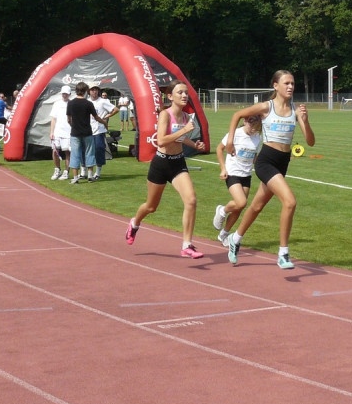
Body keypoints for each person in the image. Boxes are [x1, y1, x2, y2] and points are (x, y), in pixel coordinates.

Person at [221, 70, 315, 270]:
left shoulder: (295, 111)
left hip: (283, 162)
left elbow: (311, 142)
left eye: (292, 83)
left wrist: (305, 121)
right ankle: (283, 253)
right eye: (286, 83)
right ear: (275, 86)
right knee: (290, 202)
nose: (290, 86)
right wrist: (230, 139)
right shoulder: (266, 107)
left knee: (256, 206)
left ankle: (234, 240)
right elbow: (237, 115)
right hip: (266, 161)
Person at [125, 80, 206, 258]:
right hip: (161, 164)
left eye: (186, 92)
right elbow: (161, 140)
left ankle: (187, 245)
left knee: (191, 200)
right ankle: (135, 223)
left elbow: (180, 138)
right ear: (170, 96)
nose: (184, 95)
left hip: (178, 163)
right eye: (180, 93)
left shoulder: (185, 116)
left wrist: (195, 144)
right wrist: (184, 130)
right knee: (151, 207)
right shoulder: (165, 115)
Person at [212, 114, 262, 245]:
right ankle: (222, 210)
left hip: (246, 174)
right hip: (232, 172)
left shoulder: (257, 137)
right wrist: (223, 168)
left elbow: (254, 156)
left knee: (239, 208)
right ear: (245, 122)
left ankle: (224, 234)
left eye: (256, 128)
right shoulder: (236, 134)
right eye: (252, 126)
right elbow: (219, 148)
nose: (253, 130)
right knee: (241, 203)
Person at [66, 82, 101, 184]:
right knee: (89, 153)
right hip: (87, 132)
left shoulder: (71, 103)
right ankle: (90, 176)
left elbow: (69, 119)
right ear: (86, 91)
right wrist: (104, 122)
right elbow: (96, 117)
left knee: (75, 154)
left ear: (76, 91)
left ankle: (76, 177)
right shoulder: (89, 103)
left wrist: (73, 126)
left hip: (75, 132)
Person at [87, 84, 116, 181]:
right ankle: (86, 172)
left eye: (96, 90)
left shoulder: (103, 101)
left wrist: (106, 117)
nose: (94, 92)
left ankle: (98, 172)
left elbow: (115, 109)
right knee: (88, 151)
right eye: (92, 90)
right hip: (88, 129)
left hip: (99, 130)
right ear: (89, 91)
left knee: (99, 149)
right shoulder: (87, 101)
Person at [49, 86, 72, 180]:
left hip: (68, 132)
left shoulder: (72, 103)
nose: (64, 95)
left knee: (68, 152)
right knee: (55, 151)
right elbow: (53, 119)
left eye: (66, 93)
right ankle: (57, 169)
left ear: (69, 94)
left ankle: (66, 172)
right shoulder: (57, 104)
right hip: (57, 131)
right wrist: (51, 132)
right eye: (63, 93)